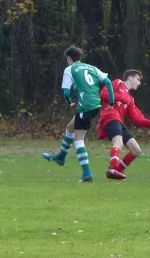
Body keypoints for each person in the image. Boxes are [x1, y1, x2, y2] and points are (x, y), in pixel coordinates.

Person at [42, 46, 115, 182]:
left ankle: (87, 173)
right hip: (96, 104)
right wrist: (111, 101)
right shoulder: (91, 67)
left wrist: (69, 101)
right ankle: (61, 157)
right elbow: (108, 82)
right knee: (70, 127)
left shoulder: (70, 69)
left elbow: (66, 92)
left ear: (69, 58)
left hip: (86, 106)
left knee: (79, 138)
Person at [97, 69, 149, 180]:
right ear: (130, 78)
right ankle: (112, 169)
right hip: (109, 117)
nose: (139, 82)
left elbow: (138, 119)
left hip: (118, 122)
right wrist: (121, 97)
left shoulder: (130, 99)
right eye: (138, 79)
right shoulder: (117, 83)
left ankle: (116, 171)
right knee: (118, 142)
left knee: (136, 150)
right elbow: (103, 94)